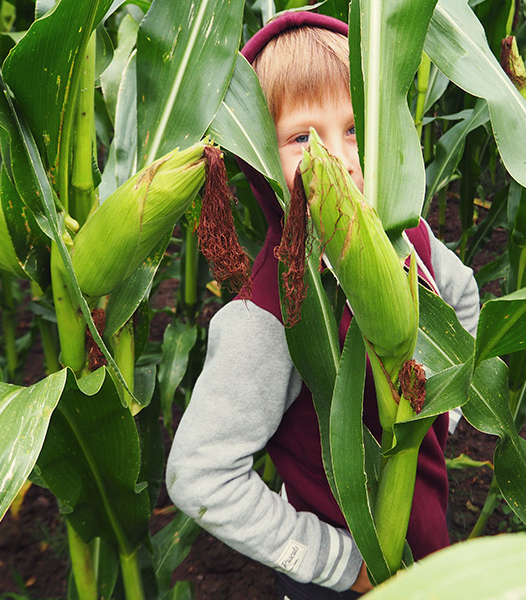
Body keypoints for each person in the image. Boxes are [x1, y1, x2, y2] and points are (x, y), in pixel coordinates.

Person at [166, 11, 480, 599]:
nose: (339, 158)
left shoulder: (409, 239)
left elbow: (463, 300)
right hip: (336, 584)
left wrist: (438, 417)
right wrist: (336, 562)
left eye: (355, 128)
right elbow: (200, 475)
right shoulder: (267, 316)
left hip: (429, 546)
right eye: (303, 138)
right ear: (259, 154)